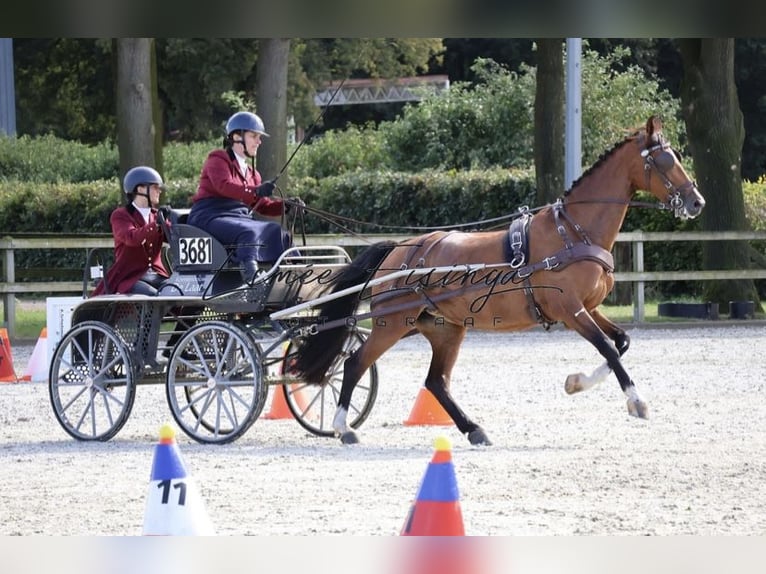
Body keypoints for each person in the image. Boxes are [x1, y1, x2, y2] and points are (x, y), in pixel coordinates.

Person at [187, 110, 292, 284]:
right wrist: (256, 190)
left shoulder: (252, 174)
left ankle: (293, 273)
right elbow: (224, 186)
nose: (259, 142)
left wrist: (285, 206)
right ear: (236, 136)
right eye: (254, 136)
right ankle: (251, 279)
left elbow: (262, 205)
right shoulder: (218, 159)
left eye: (259, 137)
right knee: (248, 232)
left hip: (238, 219)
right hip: (209, 216)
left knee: (277, 232)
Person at [92, 166, 170, 296]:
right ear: (140, 189)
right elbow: (131, 238)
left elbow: (174, 237)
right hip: (131, 278)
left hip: (158, 275)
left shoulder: (157, 215)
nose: (159, 191)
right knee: (154, 298)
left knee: (177, 292)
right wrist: (155, 224)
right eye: (155, 187)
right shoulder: (120, 215)